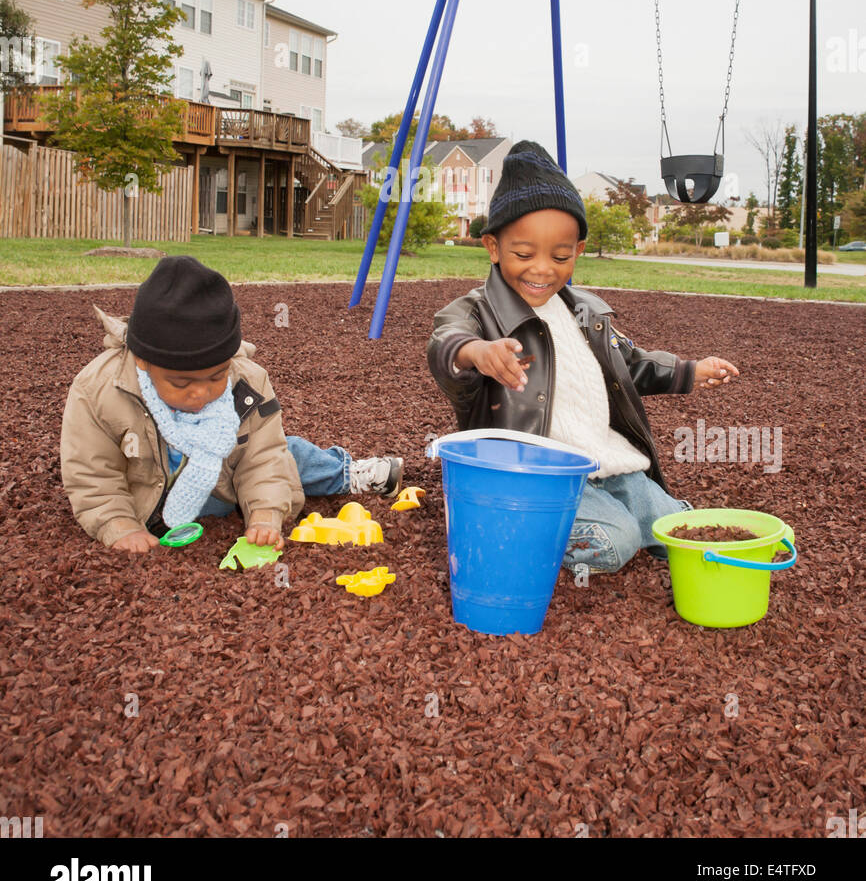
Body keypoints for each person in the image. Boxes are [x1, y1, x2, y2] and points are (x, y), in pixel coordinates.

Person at [427, 141, 739, 575]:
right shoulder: (478, 311)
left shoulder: (585, 312)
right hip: (535, 477)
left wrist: (686, 371)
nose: (543, 269)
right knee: (618, 541)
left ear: (577, 250)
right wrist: (477, 352)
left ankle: (612, 513)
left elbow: (627, 364)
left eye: (560, 256)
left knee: (677, 527)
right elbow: (444, 343)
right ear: (493, 248)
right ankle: (510, 526)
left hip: (604, 462)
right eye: (523, 254)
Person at [60, 256, 403, 553]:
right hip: (143, 497)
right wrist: (119, 525)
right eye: (181, 383)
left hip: (220, 490)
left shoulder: (246, 383)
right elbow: (93, 474)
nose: (201, 394)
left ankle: (345, 473)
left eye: (215, 377)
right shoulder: (99, 390)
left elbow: (262, 460)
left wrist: (266, 515)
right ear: (142, 362)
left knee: (287, 455)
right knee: (286, 458)